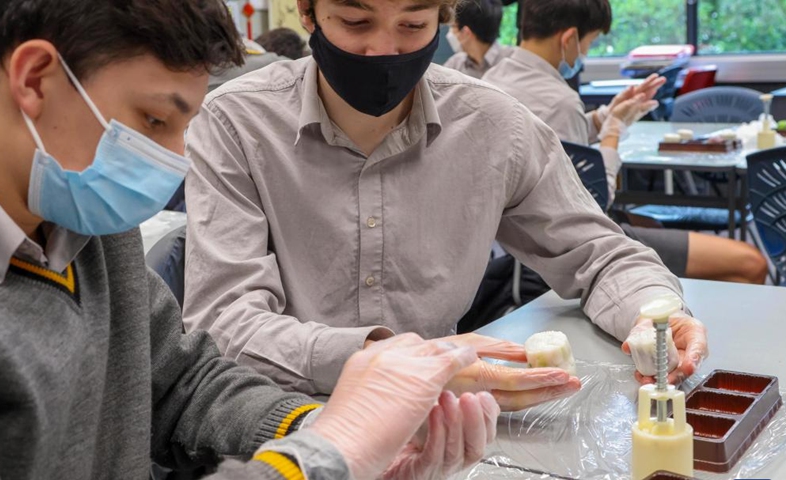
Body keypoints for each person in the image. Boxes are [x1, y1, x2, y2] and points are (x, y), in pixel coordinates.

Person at [0, 0, 502, 479]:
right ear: (34, 78)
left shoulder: (90, 231)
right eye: (154, 120)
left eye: (183, 126)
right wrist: (331, 454)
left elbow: (182, 386)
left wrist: (316, 425)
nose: (174, 157)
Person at [183, 0, 709, 409]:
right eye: (354, 22)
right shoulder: (235, 123)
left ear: (443, 18)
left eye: (412, 26)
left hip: (446, 412)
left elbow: (601, 254)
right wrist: (394, 361)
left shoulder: (495, 126)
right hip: (282, 418)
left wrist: (651, 315)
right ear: (308, 13)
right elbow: (225, 323)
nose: (383, 50)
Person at [481, 0, 768, 285]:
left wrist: (609, 114)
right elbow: (593, 203)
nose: (586, 53)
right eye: (590, 43)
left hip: (519, 249)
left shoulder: (494, 80)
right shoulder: (560, 99)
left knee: (651, 224)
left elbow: (552, 137)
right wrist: (612, 134)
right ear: (569, 38)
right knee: (750, 262)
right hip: (574, 252)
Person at [443, 0, 511, 79]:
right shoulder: (454, 64)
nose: (450, 32)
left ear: (466, 32)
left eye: (453, 26)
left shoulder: (512, 62)